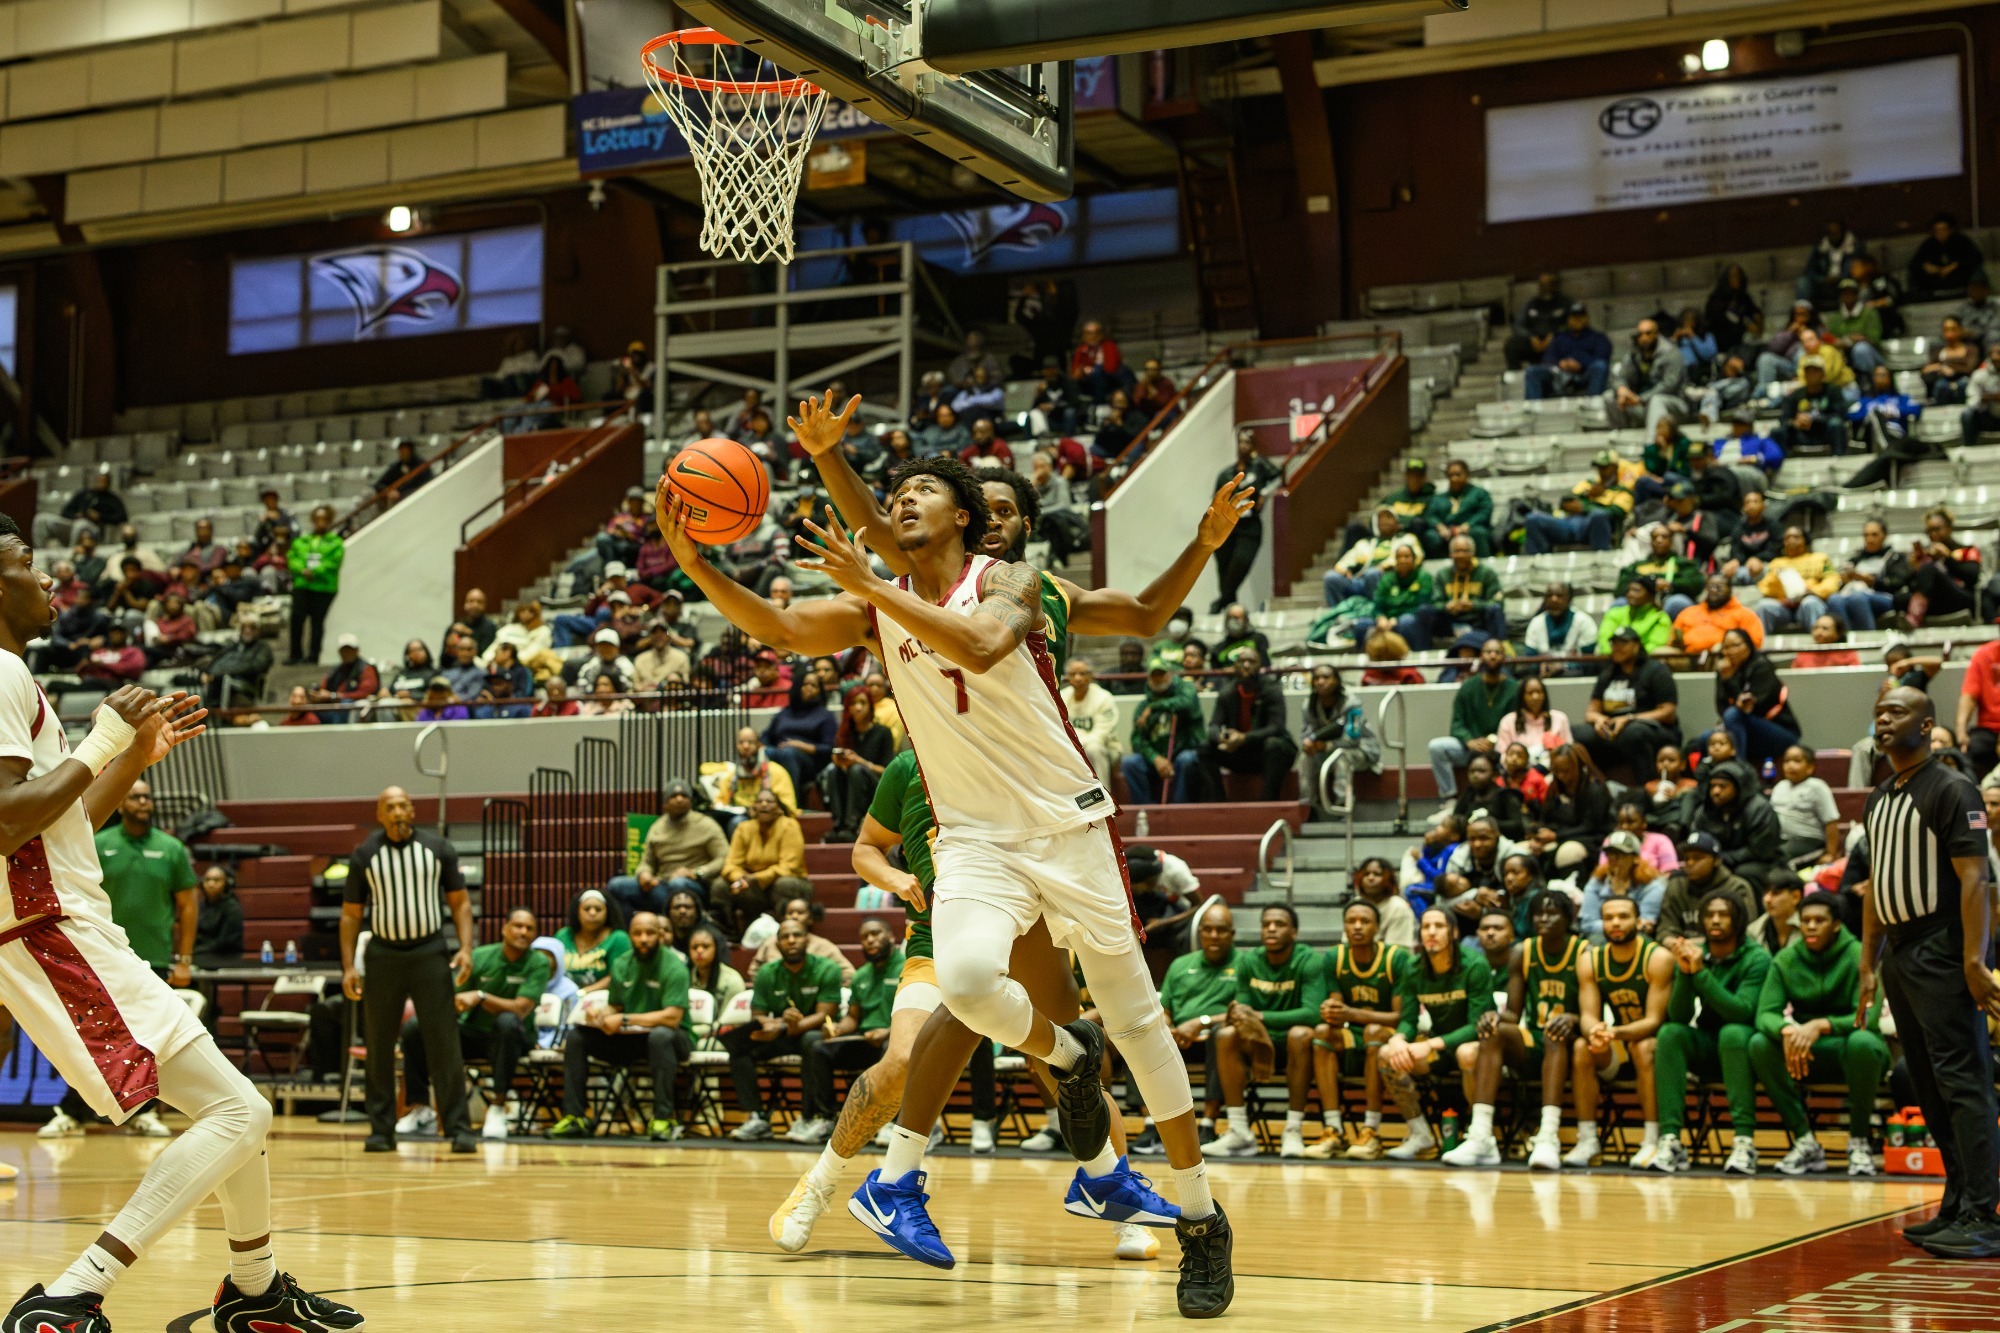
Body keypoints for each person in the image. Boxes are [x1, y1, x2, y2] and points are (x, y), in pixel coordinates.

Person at [679, 396, 1241, 1307]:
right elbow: (780, 628)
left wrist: (872, 579)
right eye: (896, 492)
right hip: (974, 836)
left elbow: (986, 642)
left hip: (1067, 824)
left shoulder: (1012, 581)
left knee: (1139, 1024)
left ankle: (1203, 1219)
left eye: (925, 491)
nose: (902, 500)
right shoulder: (883, 599)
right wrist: (697, 560)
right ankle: (1066, 1060)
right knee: (969, 985)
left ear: (970, 517)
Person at [0, 519, 364, 1330]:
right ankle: (69, 1296)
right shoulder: (0, 671)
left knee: (233, 1107)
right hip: (52, 928)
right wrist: (103, 740)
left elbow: (55, 826)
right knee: (241, 1113)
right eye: (26, 563)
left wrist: (130, 758)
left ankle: (256, 1289)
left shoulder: (13, 675)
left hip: (60, 921)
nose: (49, 578)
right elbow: (4, 822)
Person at [772, 748, 1151, 1259]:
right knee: (901, 1061)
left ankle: (1122, 1210)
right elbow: (865, 848)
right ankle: (817, 1186)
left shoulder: (1011, 748)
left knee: (1071, 1072)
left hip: (1025, 935)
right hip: (936, 941)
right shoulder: (905, 768)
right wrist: (895, 878)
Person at [1856, 687, 2000, 1251]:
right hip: (1899, 951)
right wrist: (1868, 962)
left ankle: (1984, 1214)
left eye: (1896, 712)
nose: (1883, 720)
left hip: (1941, 945)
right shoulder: (1879, 796)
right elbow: (1876, 884)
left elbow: (1976, 879)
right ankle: (1958, 1201)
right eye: (1879, 712)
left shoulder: (1951, 787)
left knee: (1962, 1079)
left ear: (1927, 725)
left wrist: (1974, 959)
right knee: (1927, 1081)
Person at [54, 778, 197, 1140]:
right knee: (89, 1035)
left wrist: (184, 958)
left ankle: (142, 1114)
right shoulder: (98, 842)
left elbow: (187, 906)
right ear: (121, 804)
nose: (143, 802)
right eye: (135, 797)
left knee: (148, 1039)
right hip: (102, 957)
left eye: (147, 797)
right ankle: (71, 1112)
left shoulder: (172, 848)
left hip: (153, 958)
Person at [341, 785, 478, 1153]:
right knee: (379, 1044)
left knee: (444, 1042)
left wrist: (466, 948)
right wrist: (348, 966)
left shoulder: (438, 848)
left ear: (413, 811)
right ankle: (381, 1130)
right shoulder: (365, 854)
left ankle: (459, 1129)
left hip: (429, 952)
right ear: (379, 815)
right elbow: (351, 914)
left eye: (403, 806)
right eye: (390, 807)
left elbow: (460, 903)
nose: (398, 812)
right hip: (383, 955)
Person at [1442, 890, 1599, 1170]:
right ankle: (1481, 1137)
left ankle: (1548, 1137)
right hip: (1536, 1039)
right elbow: (1514, 1014)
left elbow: (1591, 1014)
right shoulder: (1523, 952)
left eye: (1552, 913)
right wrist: (1495, 1016)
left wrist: (1571, 1018)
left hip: (1573, 1039)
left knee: (1555, 1034)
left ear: (1568, 918)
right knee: (1493, 1032)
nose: (1543, 919)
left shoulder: (1583, 952)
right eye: (1538, 913)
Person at [1746, 894, 1886, 1177]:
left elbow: (1868, 1018)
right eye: (1805, 921)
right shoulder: (1786, 958)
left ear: (1836, 925)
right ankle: (1804, 1140)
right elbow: (1765, 1014)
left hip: (1850, 1047)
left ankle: (1860, 1141)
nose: (1810, 926)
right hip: (1804, 1052)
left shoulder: (1859, 956)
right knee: (1759, 1043)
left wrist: (1822, 1025)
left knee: (1863, 1042)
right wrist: (1788, 1030)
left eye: (1819, 921)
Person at [1649, 889, 1772, 1174]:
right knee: (1670, 1033)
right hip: (1707, 1047)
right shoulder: (1695, 953)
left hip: (1745, 1051)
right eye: (1709, 915)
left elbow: (1742, 1011)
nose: (1715, 920)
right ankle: (1670, 1140)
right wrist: (1685, 973)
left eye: (1723, 914)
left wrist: (1701, 974)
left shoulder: (1757, 958)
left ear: (1738, 920)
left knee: (1733, 1033)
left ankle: (1744, 1143)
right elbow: (1680, 1015)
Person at [547, 910, 692, 1142]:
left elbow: (672, 1017)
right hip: (633, 1038)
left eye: (650, 933)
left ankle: (663, 1119)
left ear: (660, 935)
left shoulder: (675, 966)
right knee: (577, 1037)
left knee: (660, 1036)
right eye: (638, 933)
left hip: (674, 1039)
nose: (644, 939)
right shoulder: (622, 963)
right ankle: (575, 1117)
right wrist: (600, 1015)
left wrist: (625, 1019)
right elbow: (616, 1006)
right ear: (629, 935)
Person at [408, 907, 548, 1143]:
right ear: (504, 929)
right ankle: (420, 1108)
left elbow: (521, 1009)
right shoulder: (480, 956)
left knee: (507, 1021)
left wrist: (482, 997)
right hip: (474, 1034)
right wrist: (454, 1002)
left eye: (530, 928)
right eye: (518, 926)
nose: (523, 932)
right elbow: (455, 998)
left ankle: (498, 1107)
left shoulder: (538, 962)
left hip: (514, 1039)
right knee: (415, 1027)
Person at [1207, 905, 1329, 1158]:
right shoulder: (1249, 961)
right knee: (1226, 1034)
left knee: (1300, 1034)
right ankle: (1239, 1131)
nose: (1271, 929)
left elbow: (1312, 1014)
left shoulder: (1309, 960)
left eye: (1279, 924)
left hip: (1296, 1047)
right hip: (1258, 1042)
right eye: (1266, 924)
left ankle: (1293, 1130)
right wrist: (1243, 1016)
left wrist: (1260, 1016)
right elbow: (1242, 1011)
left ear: (1294, 932)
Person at [1567, 895, 1674, 1167]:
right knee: (1582, 1047)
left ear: (1639, 922)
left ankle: (1652, 1140)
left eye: (1623, 916)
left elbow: (1654, 1020)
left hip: (1659, 1047)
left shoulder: (1658, 957)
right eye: (1608, 918)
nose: (1615, 923)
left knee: (1643, 1046)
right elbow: (1588, 1015)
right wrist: (1595, 1032)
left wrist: (1613, 1033)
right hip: (1620, 1043)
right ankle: (1587, 1140)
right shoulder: (1590, 960)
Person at [1376, 906, 1493, 1155]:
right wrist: (1398, 1039)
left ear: (1454, 933)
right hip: (1440, 1049)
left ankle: (1479, 1137)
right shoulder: (1413, 968)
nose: (1431, 932)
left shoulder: (1475, 965)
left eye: (1439, 926)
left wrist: (1429, 1044)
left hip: (1478, 1047)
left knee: (1466, 1052)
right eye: (1426, 927)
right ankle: (1420, 1134)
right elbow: (1408, 1020)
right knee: (1387, 1055)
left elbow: (1476, 1026)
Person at [1303, 901, 1413, 1161]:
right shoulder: (1334, 957)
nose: (1357, 926)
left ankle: (1370, 1131)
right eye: (1351, 921)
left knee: (1373, 1031)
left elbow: (1400, 1017)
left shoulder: (1396, 958)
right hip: (1352, 1033)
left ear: (1378, 928)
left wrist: (1351, 1014)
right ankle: (1334, 1130)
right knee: (1322, 1032)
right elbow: (1337, 1009)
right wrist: (1330, 1010)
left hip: (1389, 1035)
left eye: (1365, 921)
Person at [722, 919, 843, 1141]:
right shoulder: (766, 973)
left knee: (812, 1041)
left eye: (797, 935)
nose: (791, 940)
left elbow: (824, 1015)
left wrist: (784, 1027)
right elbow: (758, 1014)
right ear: (777, 944)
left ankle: (811, 1117)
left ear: (807, 940)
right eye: (785, 937)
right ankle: (757, 1117)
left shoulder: (828, 969)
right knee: (739, 1045)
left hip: (815, 1033)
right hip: (782, 1034)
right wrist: (770, 1025)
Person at [1198, 648, 1296, 802]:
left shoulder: (1272, 689)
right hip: (1239, 752)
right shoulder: (1227, 692)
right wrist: (1222, 738)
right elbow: (1213, 726)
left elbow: (1277, 727)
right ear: (1235, 666)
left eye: (1251, 661)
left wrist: (1244, 738)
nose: (1246, 665)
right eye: (1242, 661)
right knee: (1205, 747)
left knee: (1274, 745)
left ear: (1260, 666)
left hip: (1267, 752)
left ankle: (1268, 805)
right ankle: (1218, 804)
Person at [1582, 628, 1679, 782]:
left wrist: (1630, 718)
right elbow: (1591, 711)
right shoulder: (1608, 674)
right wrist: (1599, 719)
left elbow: (1668, 712)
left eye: (1623, 643)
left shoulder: (1656, 670)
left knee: (1633, 733)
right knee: (1578, 734)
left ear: (1636, 645)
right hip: (1613, 728)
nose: (1617, 648)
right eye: (1614, 643)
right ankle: (1598, 785)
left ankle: (1645, 786)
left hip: (1651, 728)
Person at [1428, 638, 1519, 801]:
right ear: (1481, 656)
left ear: (1504, 657)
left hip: (1502, 748)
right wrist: (1469, 740)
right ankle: (1449, 799)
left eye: (1497, 652)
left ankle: (1509, 799)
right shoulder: (1468, 687)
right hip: (1471, 747)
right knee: (1437, 747)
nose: (1492, 656)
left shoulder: (1514, 688)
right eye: (1488, 652)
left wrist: (1495, 740)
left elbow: (1517, 723)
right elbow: (1457, 723)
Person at [1701, 627, 1801, 772]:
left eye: (1735, 645)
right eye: (1726, 647)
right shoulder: (1724, 670)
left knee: (1733, 715)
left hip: (1779, 732)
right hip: (1744, 732)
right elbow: (1722, 708)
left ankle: (1739, 772)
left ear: (1748, 645)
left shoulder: (1762, 666)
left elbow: (1754, 708)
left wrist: (1730, 681)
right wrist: (1726, 679)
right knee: (1705, 738)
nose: (1730, 651)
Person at [719, 789, 811, 939]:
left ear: (779, 808)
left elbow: (789, 867)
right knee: (721, 886)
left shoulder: (789, 826)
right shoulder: (744, 828)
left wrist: (756, 878)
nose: (764, 805)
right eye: (759, 801)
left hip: (790, 882)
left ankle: (788, 933)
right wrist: (740, 878)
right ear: (753, 808)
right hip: (753, 886)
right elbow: (730, 864)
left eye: (769, 801)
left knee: (784, 884)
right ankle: (732, 933)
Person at [1208, 433, 1283, 610]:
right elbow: (1216, 502)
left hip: (1249, 525)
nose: (1243, 446)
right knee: (1224, 568)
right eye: (1241, 442)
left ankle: (1221, 602)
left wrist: (1263, 493)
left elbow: (1277, 474)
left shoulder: (1258, 469)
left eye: (1247, 443)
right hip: (1225, 526)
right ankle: (1229, 605)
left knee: (1241, 563)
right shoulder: (1226, 474)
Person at [1653, 831, 1756, 950]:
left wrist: (1695, 945)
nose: (1690, 863)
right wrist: (1674, 943)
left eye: (1697, 858)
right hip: (1682, 952)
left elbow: (1747, 933)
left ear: (1716, 860)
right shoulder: (1676, 886)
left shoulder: (1737, 887)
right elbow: (1665, 929)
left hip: (1727, 953)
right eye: (1686, 858)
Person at [1689, 767, 1785, 890]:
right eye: (1712, 786)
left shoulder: (1759, 808)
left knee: (1745, 872)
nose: (1716, 791)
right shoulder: (1705, 811)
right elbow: (1697, 841)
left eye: (1722, 786)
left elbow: (1759, 850)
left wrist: (1721, 859)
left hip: (1761, 862)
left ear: (1738, 787)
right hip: (1717, 860)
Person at [821, 685, 896, 842]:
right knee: (833, 771)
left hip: (876, 786)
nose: (858, 707)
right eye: (853, 703)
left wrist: (860, 761)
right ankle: (838, 826)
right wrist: (840, 762)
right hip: (850, 784)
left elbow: (887, 771)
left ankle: (852, 826)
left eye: (862, 703)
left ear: (870, 706)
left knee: (856, 770)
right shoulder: (845, 733)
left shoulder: (882, 732)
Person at [1123, 664, 1205, 805]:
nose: (1158, 679)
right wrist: (1155, 758)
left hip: (1182, 752)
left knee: (1187, 759)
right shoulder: (1143, 707)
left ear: (1171, 675)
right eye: (1154, 676)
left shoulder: (1184, 693)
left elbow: (1187, 704)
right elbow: (1137, 740)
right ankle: (1146, 809)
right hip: (1156, 759)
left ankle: (1180, 809)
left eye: (1162, 674)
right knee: (1130, 763)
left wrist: (1154, 707)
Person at [1577, 830, 1665, 945]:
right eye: (1609, 854)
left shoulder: (1652, 886)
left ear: (1635, 858)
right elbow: (1587, 924)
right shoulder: (1597, 882)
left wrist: (1619, 894)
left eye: (1620, 854)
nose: (1613, 859)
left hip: (1636, 940)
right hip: (1601, 938)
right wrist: (1620, 925)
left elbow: (1646, 925)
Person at [1605, 318, 1689, 433]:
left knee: (1656, 400)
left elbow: (1669, 385)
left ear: (1657, 334)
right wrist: (1622, 389)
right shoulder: (1634, 353)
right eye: (1641, 334)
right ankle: (1621, 436)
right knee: (1609, 397)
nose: (1644, 338)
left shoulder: (1671, 353)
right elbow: (1619, 376)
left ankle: (1653, 442)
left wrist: (1641, 399)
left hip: (1673, 404)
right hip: (1640, 403)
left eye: (1648, 333)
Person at [1756, 527, 1841, 635]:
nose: (1791, 540)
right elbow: (1765, 588)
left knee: (1810, 602)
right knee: (1764, 606)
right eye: (1787, 538)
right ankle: (1760, 643)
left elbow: (1832, 580)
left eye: (1796, 537)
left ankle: (1818, 641)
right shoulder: (1776, 563)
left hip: (1809, 601)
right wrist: (1782, 598)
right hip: (1785, 608)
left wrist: (1812, 591)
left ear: (1805, 540)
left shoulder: (1821, 558)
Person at [285, 504, 342, 666]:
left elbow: (332, 563)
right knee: (296, 619)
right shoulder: (302, 541)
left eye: (324, 519)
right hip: (302, 586)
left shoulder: (335, 542)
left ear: (329, 521)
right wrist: (302, 570)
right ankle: (295, 654)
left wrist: (314, 572)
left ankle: (313, 656)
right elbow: (292, 558)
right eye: (317, 519)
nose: (320, 522)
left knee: (317, 622)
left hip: (323, 588)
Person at [1771, 743, 1841, 864]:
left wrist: (1830, 854)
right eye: (1786, 761)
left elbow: (1831, 822)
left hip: (1809, 841)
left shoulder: (1817, 787)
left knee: (1778, 856)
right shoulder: (1779, 787)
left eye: (1796, 761)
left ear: (1810, 767)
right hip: (1781, 840)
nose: (1790, 765)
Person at [1525, 302, 1612, 399]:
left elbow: (1602, 359)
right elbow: (1548, 359)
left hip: (1585, 376)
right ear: (1568, 319)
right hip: (1560, 377)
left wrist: (1580, 364)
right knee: (1532, 371)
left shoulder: (1599, 338)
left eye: (1581, 316)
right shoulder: (1559, 338)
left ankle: (1594, 404)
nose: (1577, 319)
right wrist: (1561, 363)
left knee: (1600, 366)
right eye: (1574, 316)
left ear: (1587, 318)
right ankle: (1533, 406)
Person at [554, 888, 630, 992]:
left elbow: (617, 976)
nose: (592, 913)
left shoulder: (618, 938)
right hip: (564, 995)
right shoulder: (563, 935)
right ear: (577, 912)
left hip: (602, 996)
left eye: (598, 909)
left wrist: (583, 992)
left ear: (607, 912)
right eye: (587, 909)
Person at [1064, 659, 1123, 787]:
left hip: (1106, 748)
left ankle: (1102, 793)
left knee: (1093, 749)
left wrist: (1076, 743)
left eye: (1082, 673)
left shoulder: (1104, 698)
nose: (1078, 678)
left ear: (1091, 676)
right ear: (1068, 677)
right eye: (1073, 674)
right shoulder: (1062, 697)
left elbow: (1100, 735)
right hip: (1072, 745)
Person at [1494, 675, 1573, 769]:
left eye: (1539, 692)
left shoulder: (1560, 719)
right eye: (1530, 693)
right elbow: (1502, 755)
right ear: (1522, 696)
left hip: (1552, 771)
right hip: (1519, 771)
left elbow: (1569, 752)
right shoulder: (1508, 721)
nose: (1535, 697)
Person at [1423, 458, 1495, 558]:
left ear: (1467, 475)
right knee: (1430, 536)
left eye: (1458, 475)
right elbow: (1430, 515)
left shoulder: (1479, 493)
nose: (1454, 479)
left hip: (1471, 528)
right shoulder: (1439, 498)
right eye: (1450, 475)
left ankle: (1482, 565)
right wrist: (1440, 526)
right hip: (1446, 530)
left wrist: (1468, 525)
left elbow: (1484, 512)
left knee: (1479, 533)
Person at [1908, 212, 1987, 301]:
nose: (1940, 233)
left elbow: (1976, 258)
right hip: (1934, 286)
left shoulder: (1961, 240)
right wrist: (1926, 266)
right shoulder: (1929, 243)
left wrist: (1954, 266)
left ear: (1950, 229)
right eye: (1937, 230)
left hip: (1961, 282)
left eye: (1943, 230)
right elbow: (1915, 263)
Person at [1522, 582, 1598, 667]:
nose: (1554, 599)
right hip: (1543, 673)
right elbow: (1530, 658)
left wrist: (1561, 667)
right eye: (1549, 596)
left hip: (1575, 673)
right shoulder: (1536, 622)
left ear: (1568, 599)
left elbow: (1589, 660)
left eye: (1559, 596)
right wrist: (1541, 667)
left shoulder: (1584, 621)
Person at [1596, 575, 1673, 653]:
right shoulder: (1614, 612)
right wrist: (1615, 654)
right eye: (1628, 590)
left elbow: (1655, 644)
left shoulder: (1660, 617)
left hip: (1643, 658)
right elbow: (1604, 638)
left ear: (1650, 595)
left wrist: (1630, 655)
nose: (1630, 594)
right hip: (1611, 656)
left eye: (1636, 591)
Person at [193, 863, 244, 963]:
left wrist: (197, 952)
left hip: (226, 958)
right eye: (207, 880)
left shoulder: (232, 908)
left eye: (216, 880)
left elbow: (226, 942)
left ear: (226, 883)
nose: (211, 884)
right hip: (201, 955)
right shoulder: (200, 906)